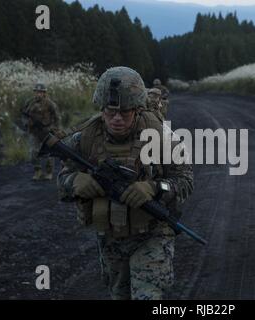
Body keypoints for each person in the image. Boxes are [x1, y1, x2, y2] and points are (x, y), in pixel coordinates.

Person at [57, 67, 194, 300]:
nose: (117, 118)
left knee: (147, 295)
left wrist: (153, 188)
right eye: (111, 112)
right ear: (101, 108)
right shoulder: (85, 138)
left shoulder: (161, 135)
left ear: (137, 109)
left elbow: (185, 181)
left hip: (153, 235)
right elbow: (62, 181)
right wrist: (75, 181)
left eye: (125, 111)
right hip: (110, 237)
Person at [22, 83, 60, 180]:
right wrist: (26, 124)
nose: (38, 94)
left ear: (44, 93)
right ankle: (37, 171)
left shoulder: (50, 103)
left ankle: (49, 172)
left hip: (46, 131)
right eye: (36, 92)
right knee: (33, 152)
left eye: (40, 92)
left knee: (48, 153)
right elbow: (24, 116)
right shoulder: (29, 102)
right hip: (34, 131)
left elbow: (57, 118)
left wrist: (53, 129)